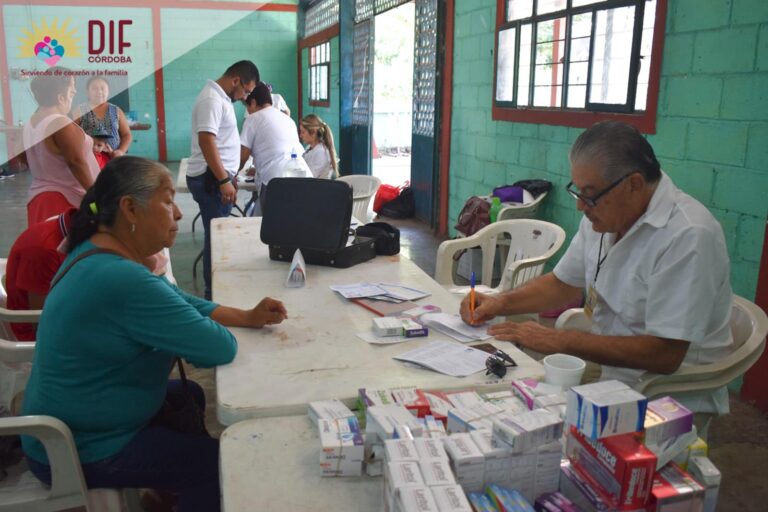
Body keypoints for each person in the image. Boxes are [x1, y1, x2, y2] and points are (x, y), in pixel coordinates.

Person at [21, 156, 287, 512]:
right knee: (218, 464)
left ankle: (167, 494)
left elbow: (180, 301)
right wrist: (178, 330)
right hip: (80, 446)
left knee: (189, 393)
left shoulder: (91, 250)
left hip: (70, 422)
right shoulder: (123, 279)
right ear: (130, 209)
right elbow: (217, 347)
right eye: (167, 200)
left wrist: (247, 316)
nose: (177, 213)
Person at [461, 121, 732, 414]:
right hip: (611, 368)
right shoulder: (604, 216)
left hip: (665, 393)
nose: (581, 207)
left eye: (590, 194)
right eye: (578, 192)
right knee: (499, 397)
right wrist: (500, 301)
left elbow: (665, 354)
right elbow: (562, 283)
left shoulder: (687, 236)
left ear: (634, 184)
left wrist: (559, 340)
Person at [187, 60, 259, 300]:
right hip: (210, 180)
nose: (244, 97)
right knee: (216, 237)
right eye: (246, 91)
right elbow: (207, 141)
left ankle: (214, 290)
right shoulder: (212, 99)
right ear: (236, 80)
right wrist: (222, 180)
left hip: (217, 177)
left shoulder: (220, 99)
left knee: (216, 234)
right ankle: (213, 293)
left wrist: (228, 176)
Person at [22, 67, 100, 225]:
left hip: (40, 198)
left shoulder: (31, 122)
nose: (75, 92)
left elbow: (24, 158)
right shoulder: (59, 122)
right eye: (72, 90)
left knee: (46, 246)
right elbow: (76, 162)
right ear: (61, 97)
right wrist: (96, 197)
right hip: (64, 199)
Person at [239, 82, 309, 210]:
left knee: (274, 225)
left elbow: (242, 158)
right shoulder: (288, 120)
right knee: (297, 223)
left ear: (253, 102)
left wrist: (228, 179)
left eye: (247, 107)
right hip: (303, 177)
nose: (248, 112)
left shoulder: (252, 119)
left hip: (275, 182)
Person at [72, 76, 133, 166]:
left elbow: (127, 135)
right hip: (88, 160)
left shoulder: (116, 110)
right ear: (87, 92)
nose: (99, 91)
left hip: (113, 160)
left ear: (109, 91)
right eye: (94, 88)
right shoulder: (79, 110)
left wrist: (120, 151)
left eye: (102, 88)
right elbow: (73, 135)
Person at [299, 114, 338, 179]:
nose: (300, 135)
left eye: (303, 132)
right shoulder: (309, 147)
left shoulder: (321, 152)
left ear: (313, 132)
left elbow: (309, 177)